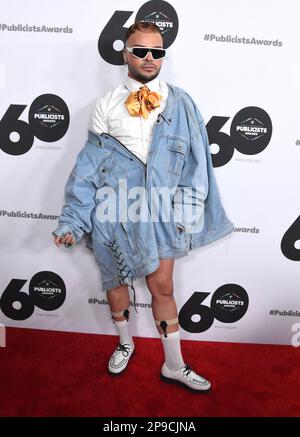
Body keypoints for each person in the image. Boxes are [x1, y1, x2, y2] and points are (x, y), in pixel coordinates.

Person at [53, 22, 234, 393]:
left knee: (162, 287)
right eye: (141, 50)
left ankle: (174, 364)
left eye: (157, 52)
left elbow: (196, 166)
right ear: (126, 54)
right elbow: (88, 170)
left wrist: (184, 215)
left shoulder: (181, 103)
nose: (149, 58)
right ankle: (125, 343)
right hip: (113, 210)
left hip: (160, 212)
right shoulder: (105, 105)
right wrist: (73, 219)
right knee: (116, 283)